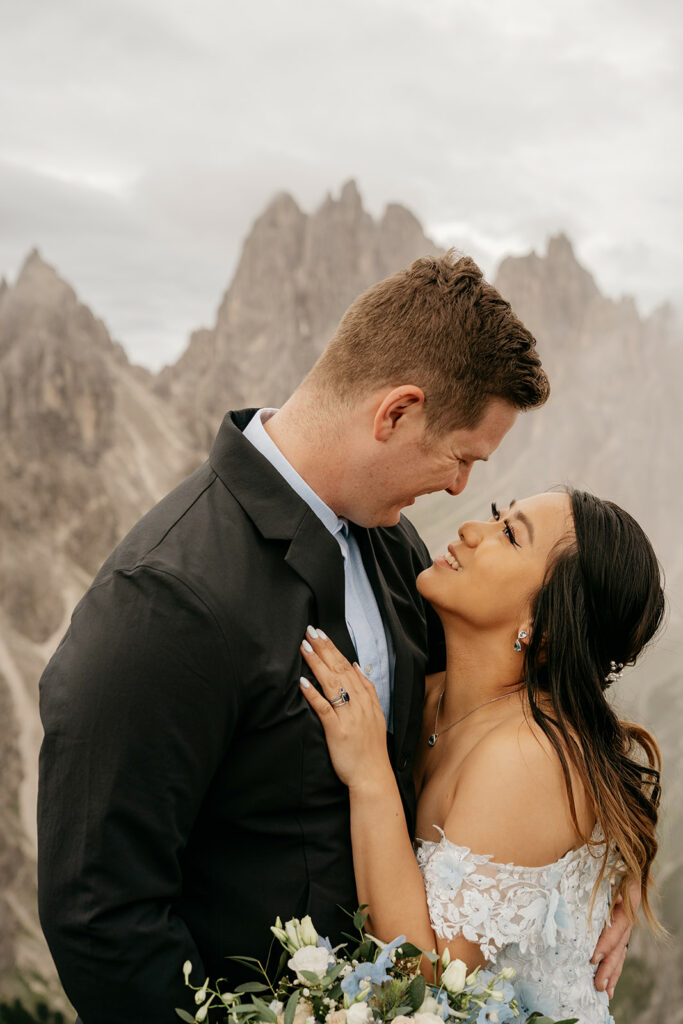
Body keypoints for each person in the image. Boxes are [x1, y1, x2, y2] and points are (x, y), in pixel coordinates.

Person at [37, 254, 626, 1024]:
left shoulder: (396, 549)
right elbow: (100, 916)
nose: (459, 489)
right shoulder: (169, 599)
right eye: (460, 457)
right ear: (395, 413)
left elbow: (525, 703)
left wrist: (590, 875)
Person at [299, 488, 663, 1023]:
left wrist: (370, 774)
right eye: (499, 515)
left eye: (510, 535)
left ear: (543, 626)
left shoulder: (527, 756)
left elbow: (427, 979)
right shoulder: (428, 694)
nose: (473, 528)